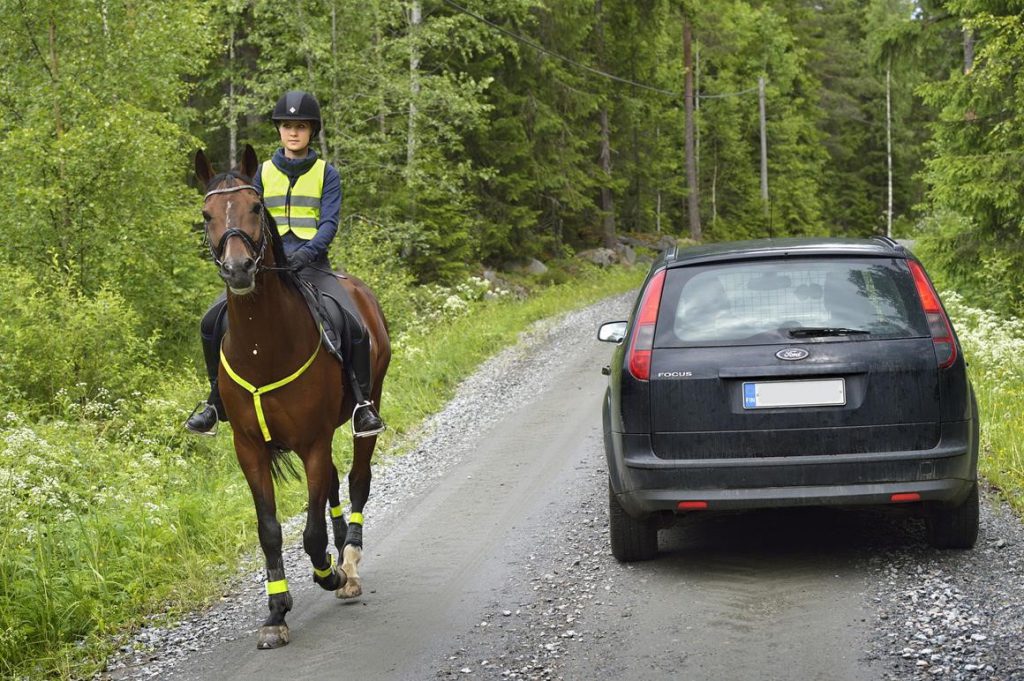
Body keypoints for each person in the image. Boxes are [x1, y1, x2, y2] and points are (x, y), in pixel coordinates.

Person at [185, 90, 385, 438]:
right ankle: (215, 402)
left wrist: (307, 254)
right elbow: (251, 218)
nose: (294, 132)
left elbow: (329, 223)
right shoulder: (262, 172)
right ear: (279, 130)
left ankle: (361, 405)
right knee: (210, 321)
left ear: (311, 132)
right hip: (266, 265)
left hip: (313, 264)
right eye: (287, 126)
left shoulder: (327, 173)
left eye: (301, 126)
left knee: (352, 323)